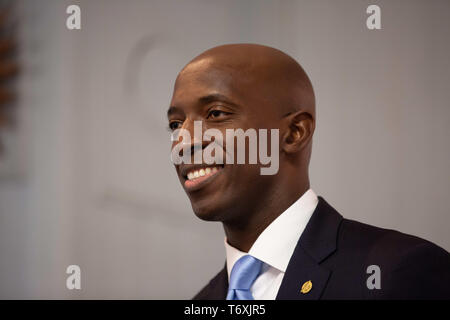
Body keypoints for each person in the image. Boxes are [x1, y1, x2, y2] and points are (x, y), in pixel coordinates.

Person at [167, 43, 450, 299]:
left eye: (215, 114)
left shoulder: (396, 273)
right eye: (176, 124)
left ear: (293, 133)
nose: (183, 141)